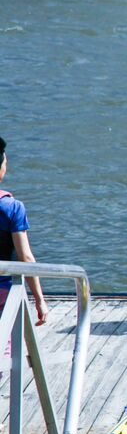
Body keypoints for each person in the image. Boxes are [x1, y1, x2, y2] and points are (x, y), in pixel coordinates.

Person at [0, 136, 48, 329]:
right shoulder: (11, 207)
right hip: (4, 291)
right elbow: (25, 258)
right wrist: (39, 299)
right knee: (6, 349)